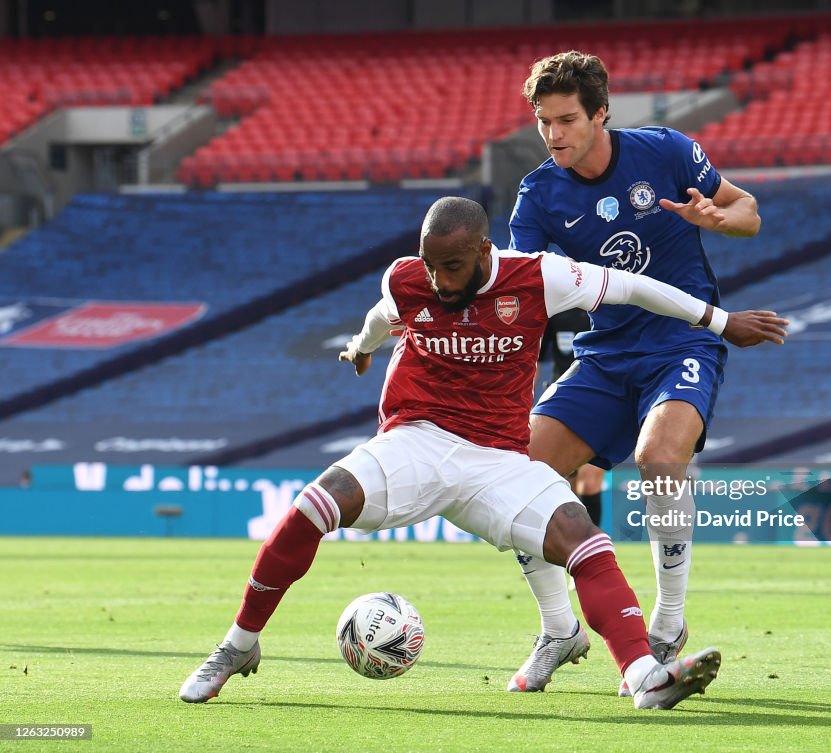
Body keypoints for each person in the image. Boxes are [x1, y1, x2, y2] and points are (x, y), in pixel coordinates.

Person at [178, 196, 788, 710]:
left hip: (498, 459)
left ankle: (643, 677)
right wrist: (361, 348)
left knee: (583, 539)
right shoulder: (407, 278)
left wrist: (717, 320)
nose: (440, 280)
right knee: (312, 507)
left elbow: (631, 285)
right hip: (415, 441)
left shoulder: (539, 276)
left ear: (484, 252)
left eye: (453, 266)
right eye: (431, 264)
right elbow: (381, 315)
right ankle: (238, 644)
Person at [505, 50, 768, 696]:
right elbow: (515, 288)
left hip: (683, 341)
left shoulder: (667, 152)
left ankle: (668, 623)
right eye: (544, 122)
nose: (554, 134)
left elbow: (749, 211)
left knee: (658, 456)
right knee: (515, 475)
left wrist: (717, 217)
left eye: (567, 119)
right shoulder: (539, 195)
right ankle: (559, 628)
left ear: (601, 114)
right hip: (605, 353)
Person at [537, 308, 605, 527]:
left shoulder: (606, 312)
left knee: (590, 481)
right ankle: (570, 543)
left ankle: (591, 545)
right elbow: (535, 361)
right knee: (564, 482)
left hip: (600, 402)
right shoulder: (557, 312)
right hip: (562, 404)